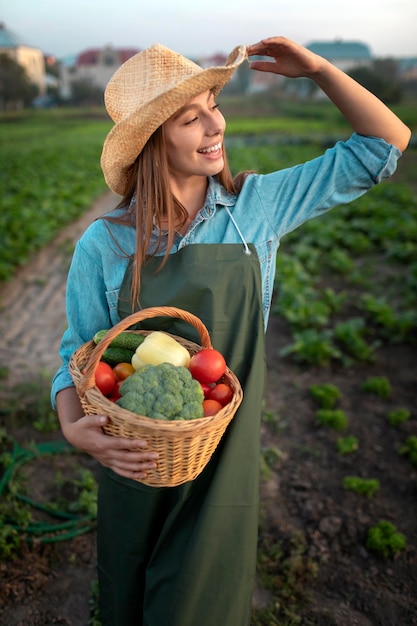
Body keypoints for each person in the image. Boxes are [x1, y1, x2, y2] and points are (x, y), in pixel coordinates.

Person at [51, 36, 410, 625]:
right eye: (191, 118)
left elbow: (384, 145)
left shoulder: (257, 208)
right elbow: (78, 351)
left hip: (224, 459)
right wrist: (73, 428)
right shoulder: (106, 244)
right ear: (153, 141)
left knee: (203, 600)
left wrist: (318, 70)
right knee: (130, 591)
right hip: (140, 459)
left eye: (215, 105)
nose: (215, 124)